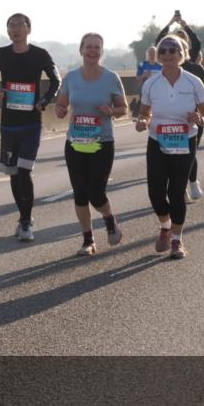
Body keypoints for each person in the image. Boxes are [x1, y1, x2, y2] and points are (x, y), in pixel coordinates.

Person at [0, 13, 61, 242]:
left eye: (20, 25)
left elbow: (56, 81)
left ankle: (26, 222)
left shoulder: (40, 54)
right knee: (14, 174)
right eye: (11, 25)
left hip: (31, 123)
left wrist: (44, 100)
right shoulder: (1, 54)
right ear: (7, 30)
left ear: (29, 29)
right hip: (8, 124)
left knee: (24, 170)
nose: (15, 29)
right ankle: (23, 216)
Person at [135, 34, 204, 260]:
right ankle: (166, 226)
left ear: (181, 54)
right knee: (156, 193)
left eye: (172, 50)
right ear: (158, 56)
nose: (167, 54)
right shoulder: (151, 83)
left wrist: (199, 119)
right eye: (163, 51)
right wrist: (143, 122)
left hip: (184, 140)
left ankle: (177, 240)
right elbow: (144, 113)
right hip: (157, 141)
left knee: (176, 192)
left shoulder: (193, 81)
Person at [54, 33, 128, 256]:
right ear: (81, 50)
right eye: (88, 47)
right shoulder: (71, 77)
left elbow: (123, 108)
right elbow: (61, 103)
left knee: (96, 193)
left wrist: (111, 111)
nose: (92, 51)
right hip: (76, 142)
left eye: (97, 47)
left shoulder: (111, 78)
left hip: (101, 143)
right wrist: (60, 110)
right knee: (80, 193)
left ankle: (109, 218)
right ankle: (88, 240)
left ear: (102, 51)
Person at [155, 14, 204, 200]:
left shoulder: (195, 68)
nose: (170, 51)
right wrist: (170, 23)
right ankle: (179, 187)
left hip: (192, 119)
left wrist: (201, 114)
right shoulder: (163, 68)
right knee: (170, 153)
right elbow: (159, 41)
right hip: (169, 121)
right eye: (167, 47)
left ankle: (192, 182)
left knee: (188, 152)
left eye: (177, 45)